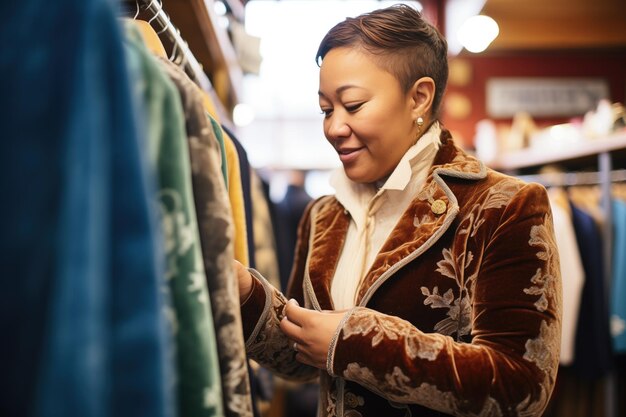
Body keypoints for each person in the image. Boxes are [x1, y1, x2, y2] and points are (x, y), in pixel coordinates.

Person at [234, 4, 562, 416]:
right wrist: (248, 294)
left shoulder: (502, 206)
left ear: (418, 97)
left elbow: (521, 385)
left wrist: (352, 340)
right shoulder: (323, 215)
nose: (333, 127)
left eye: (352, 105)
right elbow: (303, 360)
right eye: (325, 109)